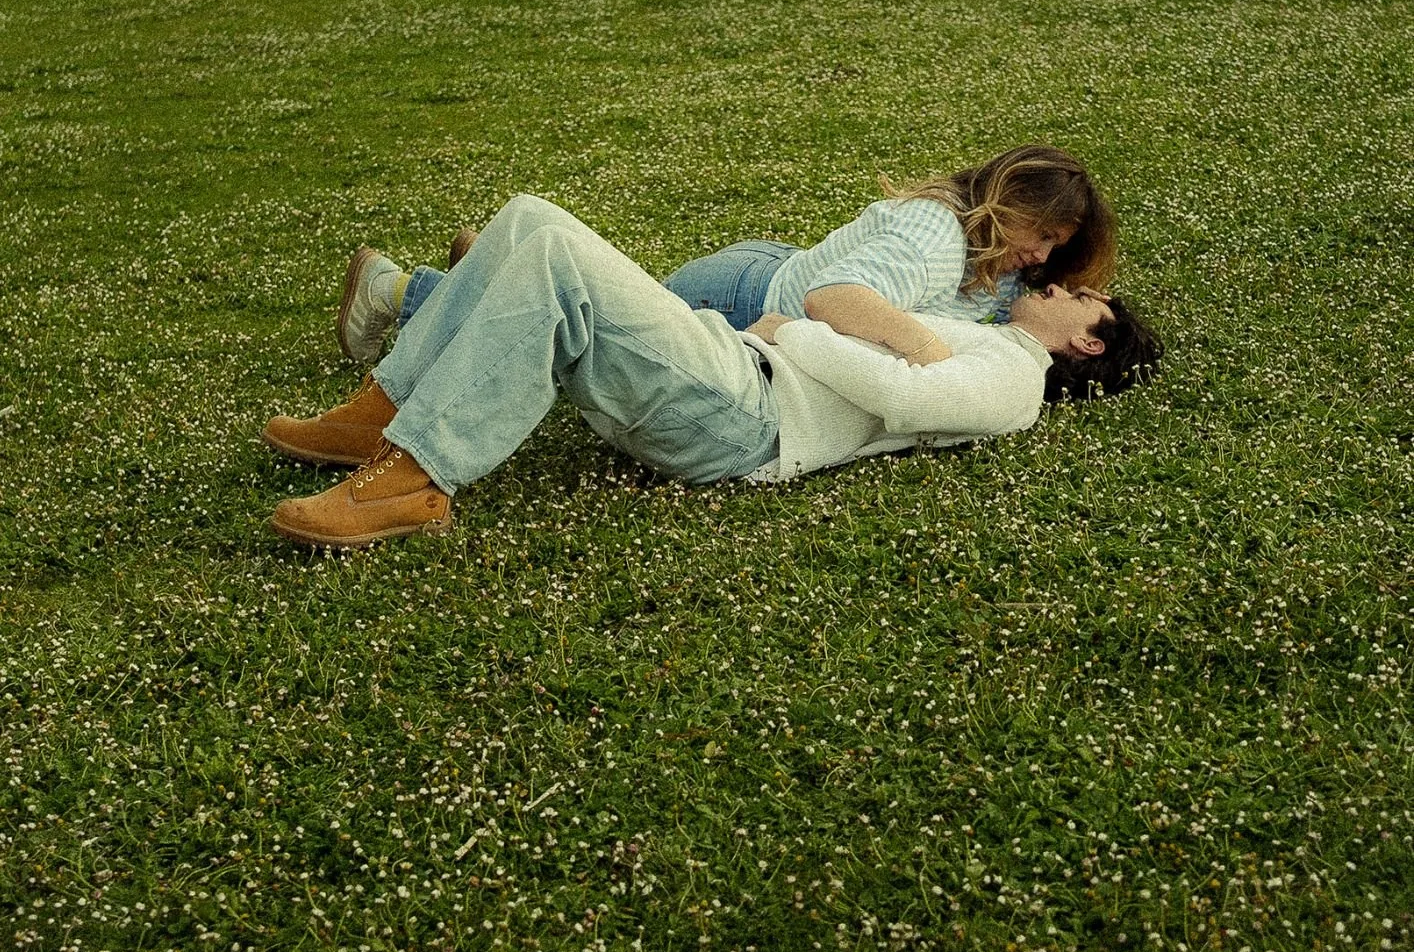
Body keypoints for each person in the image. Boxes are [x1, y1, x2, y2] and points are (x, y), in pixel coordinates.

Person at [264, 194, 1160, 549]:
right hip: (737, 371)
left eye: (1085, 297)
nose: (1064, 280)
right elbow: (891, 338)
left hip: (747, 418)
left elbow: (900, 392)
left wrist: (794, 332)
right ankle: (384, 413)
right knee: (531, 223)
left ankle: (419, 477)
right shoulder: (986, 327)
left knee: (555, 259)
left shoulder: (1014, 385)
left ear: (1088, 341)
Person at [331, 145, 1115, 373]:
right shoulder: (935, 238)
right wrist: (930, 357)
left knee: (592, 307)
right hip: (746, 295)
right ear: (1006, 201)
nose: (1040, 257)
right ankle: (399, 290)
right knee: (593, 333)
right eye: (1039, 235)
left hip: (769, 270)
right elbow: (836, 297)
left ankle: (492, 268)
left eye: (1054, 250)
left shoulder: (996, 270)